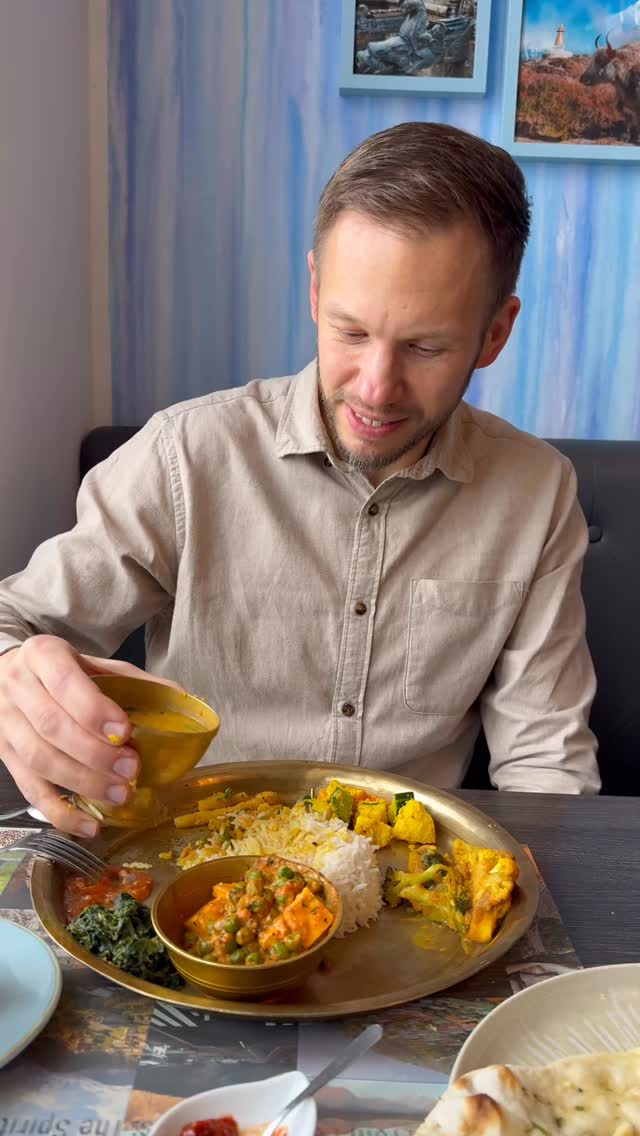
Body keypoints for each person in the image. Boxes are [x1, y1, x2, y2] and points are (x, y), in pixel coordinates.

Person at [0, 122, 600, 836]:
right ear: (316, 291)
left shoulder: (538, 492)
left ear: (495, 333)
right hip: (193, 875)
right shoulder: (185, 456)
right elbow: (18, 621)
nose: (376, 389)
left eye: (425, 346)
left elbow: (545, 763)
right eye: (351, 332)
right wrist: (12, 676)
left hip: (408, 900)